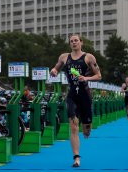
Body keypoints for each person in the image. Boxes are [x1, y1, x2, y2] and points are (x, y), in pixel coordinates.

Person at [50, 34, 102, 167]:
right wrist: (54, 71)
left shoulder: (89, 57)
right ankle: (76, 158)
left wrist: (86, 78)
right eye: (71, 41)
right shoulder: (64, 57)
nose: (74, 43)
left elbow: (98, 76)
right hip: (72, 95)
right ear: (70, 44)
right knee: (73, 126)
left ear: (81, 42)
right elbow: (56, 67)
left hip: (85, 96)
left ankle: (87, 127)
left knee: (86, 130)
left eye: (76, 41)